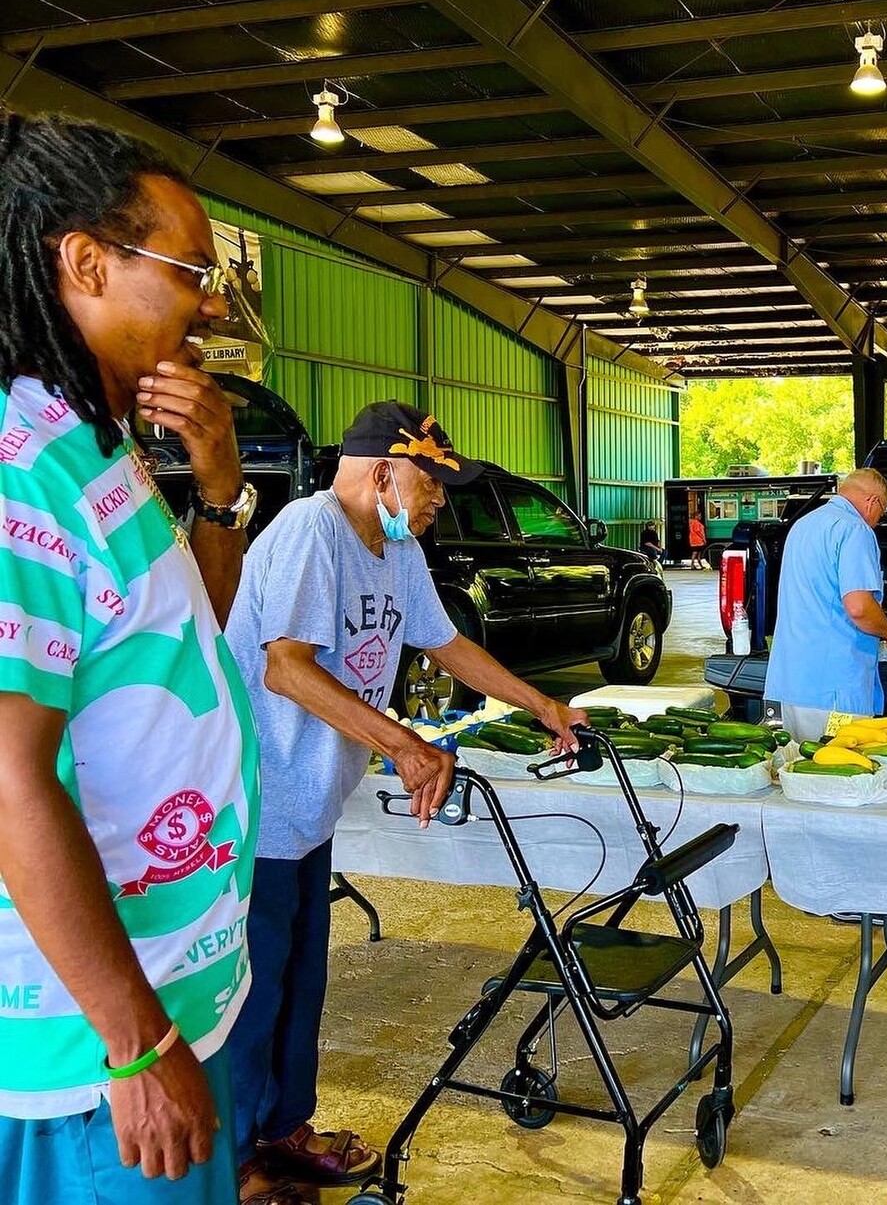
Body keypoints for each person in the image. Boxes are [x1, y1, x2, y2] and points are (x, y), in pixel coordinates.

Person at [224, 400, 588, 1204]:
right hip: (254, 807)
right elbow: (285, 668)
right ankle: (241, 1163)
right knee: (253, 992)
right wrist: (402, 742)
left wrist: (541, 705)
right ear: (382, 472)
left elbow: (446, 642)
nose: (438, 503)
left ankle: (285, 1130)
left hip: (308, 808)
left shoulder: (396, 549)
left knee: (299, 981)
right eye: (430, 484)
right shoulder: (308, 533)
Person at [0, 113, 261, 1203]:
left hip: (180, 976)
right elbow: (8, 771)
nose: (210, 301)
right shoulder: (21, 475)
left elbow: (187, 634)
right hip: (94, 1051)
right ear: (86, 262)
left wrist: (219, 491)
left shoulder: (99, 438)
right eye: (190, 270)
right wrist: (138, 1047)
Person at [765, 468, 887, 742]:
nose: (879, 522)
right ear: (872, 501)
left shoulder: (802, 526)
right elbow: (859, 607)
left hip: (793, 682)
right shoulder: (855, 530)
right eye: (883, 512)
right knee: (841, 772)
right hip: (835, 690)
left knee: (804, 766)